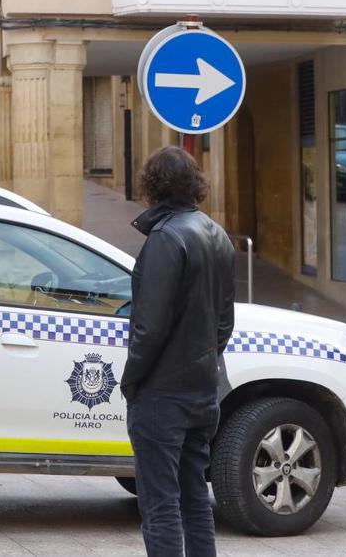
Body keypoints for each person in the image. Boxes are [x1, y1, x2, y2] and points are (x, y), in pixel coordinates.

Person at [121, 146, 235, 557]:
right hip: (203, 391)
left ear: (153, 185)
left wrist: (132, 381)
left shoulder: (167, 238)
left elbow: (149, 327)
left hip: (162, 394)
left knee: (160, 504)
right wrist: (203, 358)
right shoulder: (216, 234)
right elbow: (225, 322)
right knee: (194, 501)